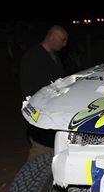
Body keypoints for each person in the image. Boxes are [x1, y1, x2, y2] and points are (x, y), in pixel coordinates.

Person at [20, 25, 69, 158]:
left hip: (51, 111)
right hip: (40, 112)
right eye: (63, 40)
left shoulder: (53, 56)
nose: (65, 44)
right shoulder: (34, 57)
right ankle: (31, 178)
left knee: (51, 151)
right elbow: (35, 88)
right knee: (40, 152)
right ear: (52, 37)